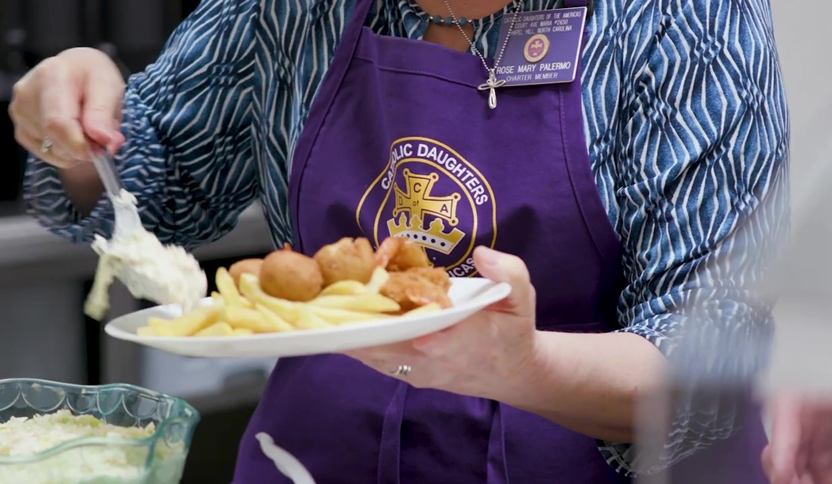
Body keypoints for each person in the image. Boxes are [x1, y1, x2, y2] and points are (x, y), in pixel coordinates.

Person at [8, 0, 788, 482]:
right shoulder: (285, 11)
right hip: (316, 460)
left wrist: (523, 366)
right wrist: (78, 139)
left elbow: (709, 355)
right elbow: (154, 194)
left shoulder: (684, 18)